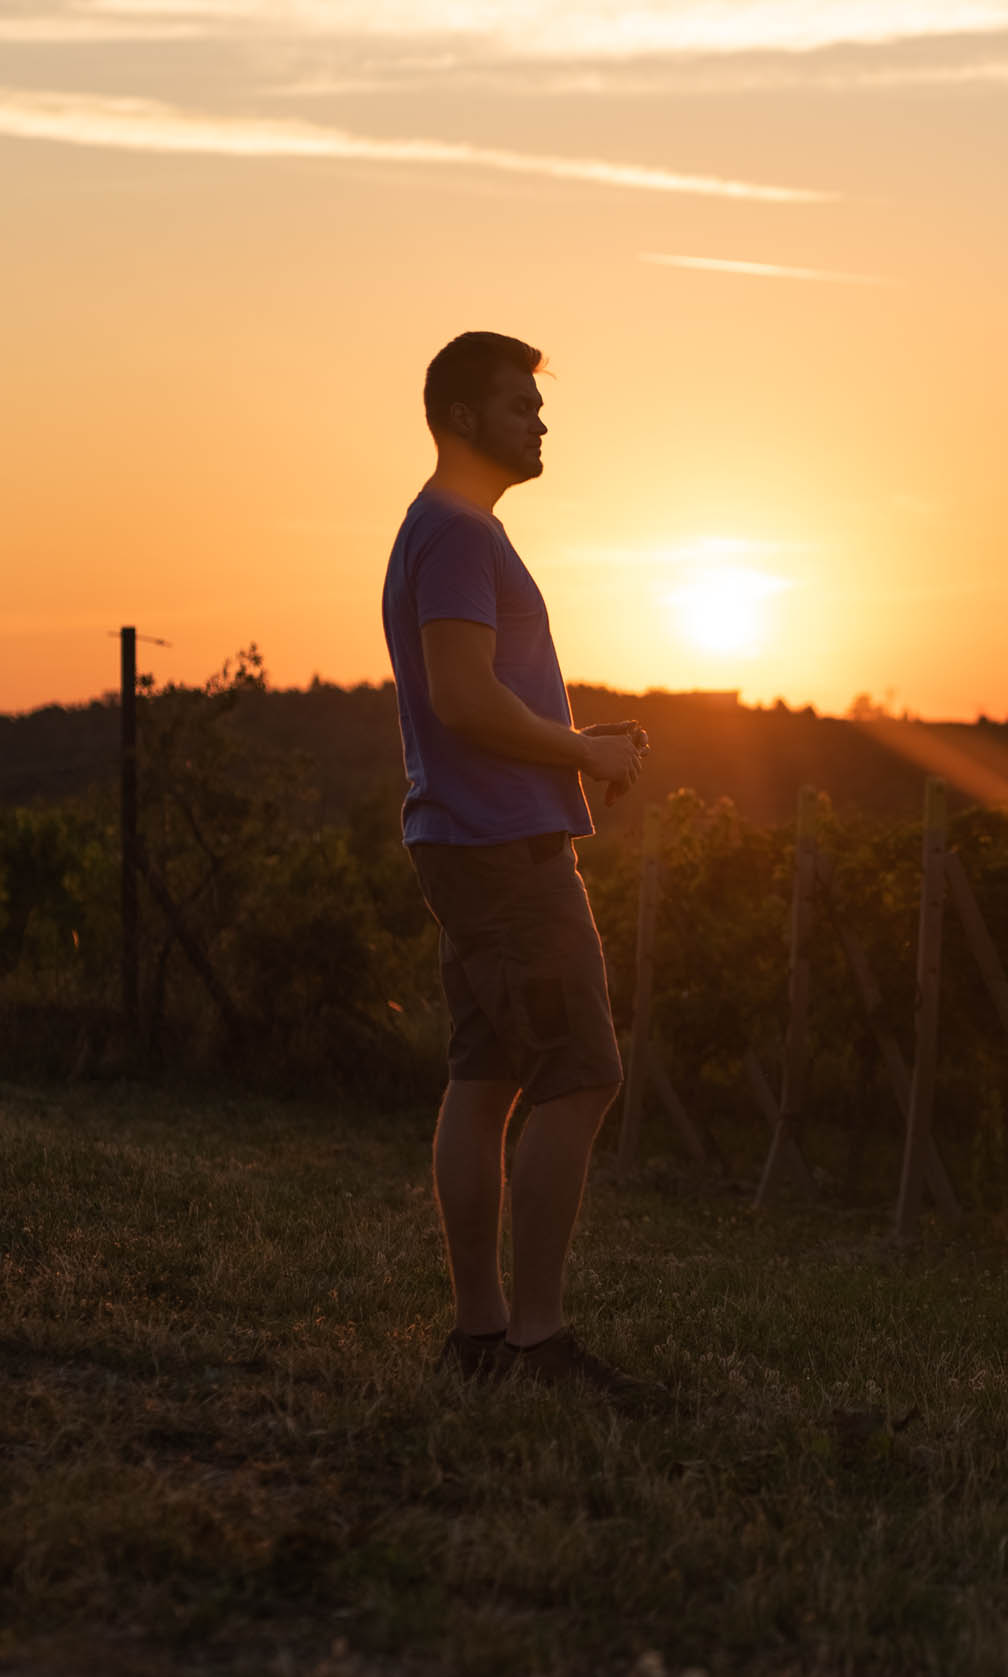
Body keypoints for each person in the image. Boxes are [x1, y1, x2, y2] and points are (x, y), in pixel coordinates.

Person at [382, 330, 653, 1400]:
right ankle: (534, 1343)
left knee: (486, 1072)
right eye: (519, 405)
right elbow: (463, 695)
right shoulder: (454, 533)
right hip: (501, 846)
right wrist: (584, 749)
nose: (540, 421)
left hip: (469, 836)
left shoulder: (448, 529)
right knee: (581, 1074)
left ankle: (482, 1335)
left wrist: (580, 741)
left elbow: (479, 694)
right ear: (462, 419)